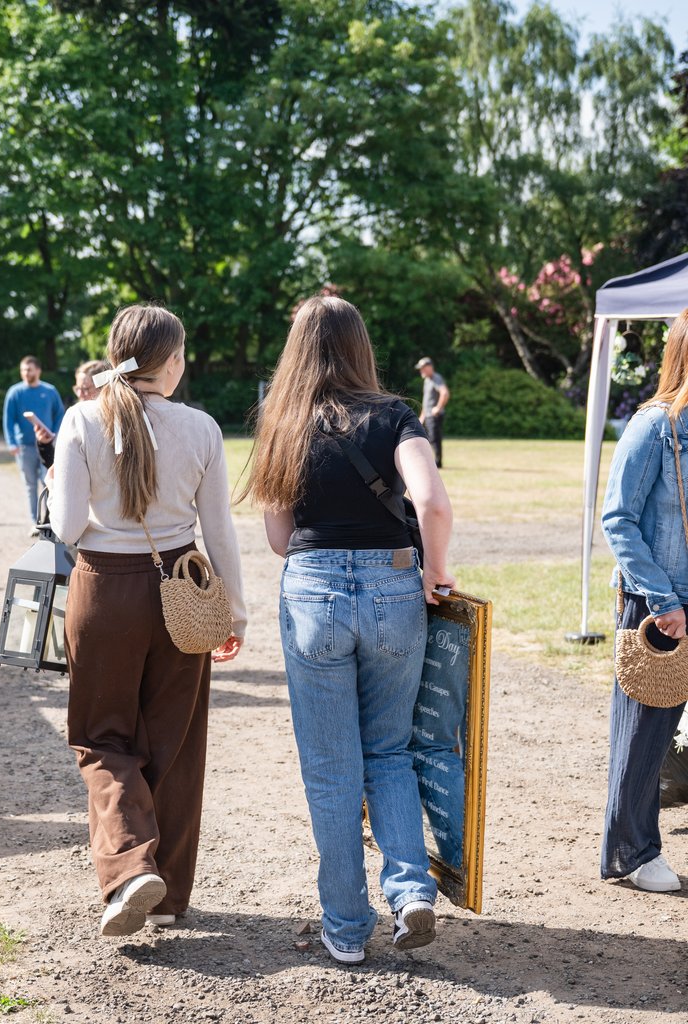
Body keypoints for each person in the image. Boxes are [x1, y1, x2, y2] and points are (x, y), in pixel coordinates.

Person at [240, 295, 454, 965]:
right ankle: (412, 889)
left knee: (333, 771)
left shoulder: (281, 423)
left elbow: (279, 539)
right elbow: (433, 504)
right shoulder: (396, 415)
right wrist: (435, 575)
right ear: (361, 345)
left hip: (313, 592)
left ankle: (346, 926)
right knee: (388, 751)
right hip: (395, 587)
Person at [49, 304, 246, 937]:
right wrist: (233, 611)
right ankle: (167, 893)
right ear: (175, 361)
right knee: (177, 745)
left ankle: (131, 868)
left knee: (102, 737)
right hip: (182, 590)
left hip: (104, 589)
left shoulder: (82, 417)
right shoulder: (203, 428)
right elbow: (218, 530)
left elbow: (67, 527)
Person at [600, 307, 688, 894]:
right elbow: (618, 519)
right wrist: (663, 599)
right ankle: (630, 852)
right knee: (643, 735)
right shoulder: (654, 424)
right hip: (661, 606)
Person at [3, 356, 65, 534]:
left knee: (48, 482)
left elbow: (59, 414)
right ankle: (35, 521)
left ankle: (49, 520)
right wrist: (11, 442)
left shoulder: (50, 391)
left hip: (47, 447)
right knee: (30, 485)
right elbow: (8, 419)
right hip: (25, 447)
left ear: (38, 370)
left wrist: (54, 435)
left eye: (29, 369)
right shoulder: (14, 392)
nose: (25, 373)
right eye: (23, 370)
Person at [34, 359, 109, 469]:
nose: (80, 394)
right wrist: (44, 445)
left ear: (104, 388)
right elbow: (60, 466)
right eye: (77, 388)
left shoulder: (114, 421)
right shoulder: (75, 417)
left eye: (85, 389)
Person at [415, 356, 449, 469]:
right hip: (428, 416)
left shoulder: (436, 378)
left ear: (430, 367)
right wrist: (422, 417)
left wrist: (438, 408)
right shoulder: (427, 381)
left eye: (423, 368)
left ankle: (437, 463)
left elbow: (444, 393)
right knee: (428, 438)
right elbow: (426, 402)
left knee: (434, 438)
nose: (421, 371)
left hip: (434, 416)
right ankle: (433, 462)